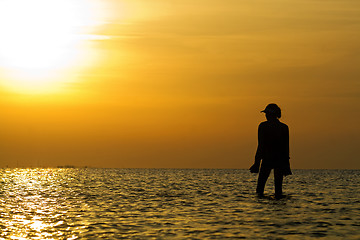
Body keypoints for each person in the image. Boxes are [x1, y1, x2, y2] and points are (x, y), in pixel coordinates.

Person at [250, 103, 292, 199]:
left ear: (270, 114)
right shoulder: (284, 127)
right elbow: (286, 148)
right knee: (278, 190)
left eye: (266, 113)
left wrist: (256, 163)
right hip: (280, 161)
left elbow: (260, 145)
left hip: (267, 160)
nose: (265, 115)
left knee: (260, 189)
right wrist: (287, 165)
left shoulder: (263, 126)